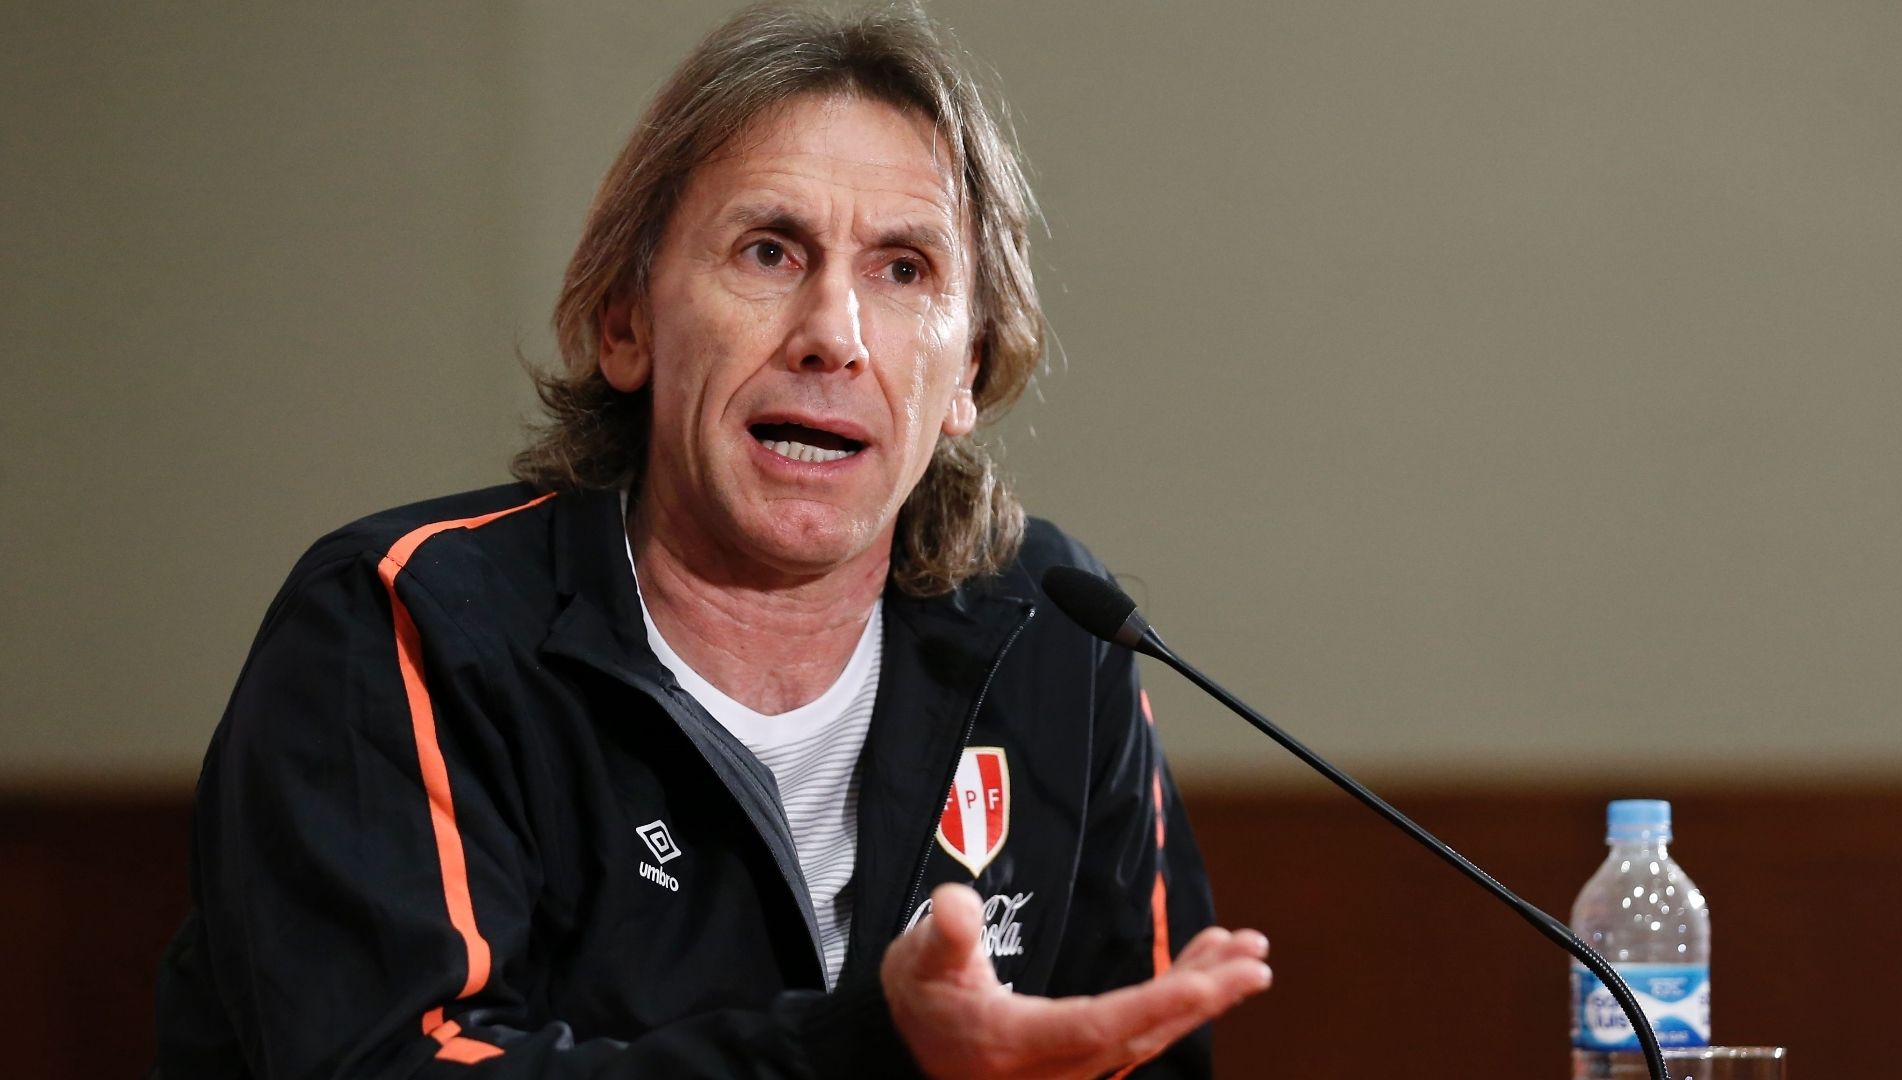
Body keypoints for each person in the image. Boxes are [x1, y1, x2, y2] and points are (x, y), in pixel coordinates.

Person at [152, 5, 1270, 1077]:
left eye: (903, 270)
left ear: (968, 372)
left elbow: (1132, 1049)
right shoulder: (403, 626)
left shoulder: (1054, 628)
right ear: (626, 322)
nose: (833, 334)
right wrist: (868, 1055)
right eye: (771, 252)